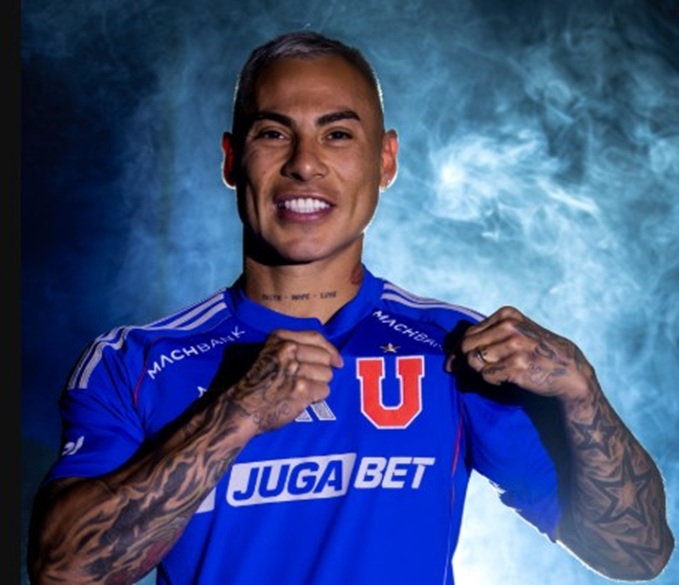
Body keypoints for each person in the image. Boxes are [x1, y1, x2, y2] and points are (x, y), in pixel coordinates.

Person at [27, 31, 674, 585]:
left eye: (337, 134)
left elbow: (638, 553)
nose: (305, 164)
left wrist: (583, 392)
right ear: (232, 160)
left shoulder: (457, 350)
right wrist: (236, 413)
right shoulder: (135, 360)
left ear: (385, 161)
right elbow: (61, 571)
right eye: (273, 133)